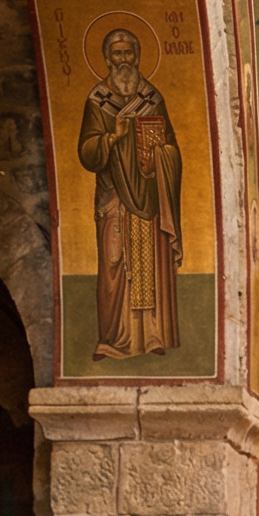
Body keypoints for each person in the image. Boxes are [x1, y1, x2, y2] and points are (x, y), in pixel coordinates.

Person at [77, 27, 183, 360]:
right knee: (113, 263)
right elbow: (87, 152)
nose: (124, 60)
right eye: (117, 54)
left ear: (137, 56)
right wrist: (113, 137)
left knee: (150, 263)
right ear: (107, 59)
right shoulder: (98, 100)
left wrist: (160, 156)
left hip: (148, 195)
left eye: (128, 53)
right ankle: (111, 338)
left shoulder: (152, 98)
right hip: (113, 197)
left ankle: (152, 335)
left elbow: (171, 146)